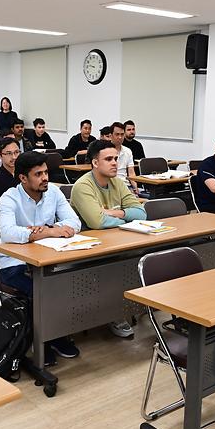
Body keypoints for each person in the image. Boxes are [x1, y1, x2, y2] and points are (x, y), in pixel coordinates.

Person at [0, 151, 82, 365]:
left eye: (45, 172)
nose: (45, 177)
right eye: (38, 174)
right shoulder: (9, 197)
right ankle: (44, 340)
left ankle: (56, 333)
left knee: (70, 283)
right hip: (13, 264)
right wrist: (49, 232)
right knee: (43, 291)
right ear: (23, 178)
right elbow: (8, 232)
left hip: (49, 259)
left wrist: (49, 228)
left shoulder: (53, 191)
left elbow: (74, 222)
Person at [70, 139, 146, 339]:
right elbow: (97, 222)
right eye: (109, 159)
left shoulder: (117, 183)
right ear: (95, 163)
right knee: (115, 269)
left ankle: (127, 306)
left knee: (142, 259)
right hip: (89, 247)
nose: (115, 163)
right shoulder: (82, 186)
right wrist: (122, 216)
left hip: (116, 239)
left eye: (116, 158)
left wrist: (116, 213)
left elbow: (141, 213)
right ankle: (113, 313)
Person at [110, 121, 139, 193]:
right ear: (111, 136)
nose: (120, 137)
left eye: (122, 134)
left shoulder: (127, 151)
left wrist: (135, 187)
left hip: (126, 186)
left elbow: (131, 173)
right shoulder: (105, 151)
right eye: (117, 134)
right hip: (111, 186)